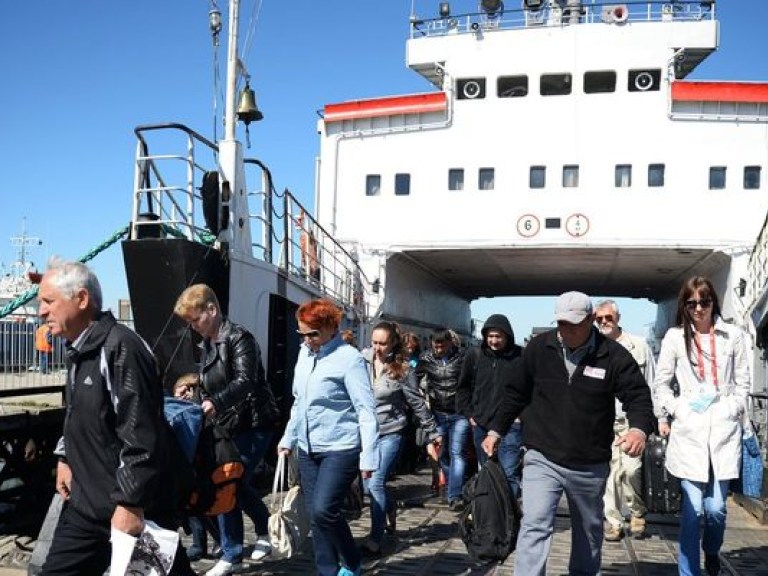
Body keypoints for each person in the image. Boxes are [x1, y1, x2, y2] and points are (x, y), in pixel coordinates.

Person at [37, 257, 194, 576]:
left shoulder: (121, 348)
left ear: (81, 299)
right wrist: (65, 456)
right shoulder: (80, 350)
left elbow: (142, 433)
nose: (41, 311)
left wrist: (130, 503)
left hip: (131, 509)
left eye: (49, 301)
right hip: (87, 507)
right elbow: (82, 415)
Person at [482, 291, 655, 576]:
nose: (567, 330)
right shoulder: (539, 348)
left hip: (589, 462)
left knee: (588, 530)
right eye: (562, 323)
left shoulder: (612, 355)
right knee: (535, 523)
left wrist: (638, 429)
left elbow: (638, 396)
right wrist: (495, 430)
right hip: (542, 455)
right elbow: (515, 393)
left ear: (590, 320)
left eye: (575, 323)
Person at [174, 283, 280, 576]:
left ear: (212, 309)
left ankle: (236, 550)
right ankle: (255, 534)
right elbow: (210, 383)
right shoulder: (208, 343)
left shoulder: (238, 338)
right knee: (229, 481)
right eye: (189, 322)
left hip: (255, 421)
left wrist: (214, 403)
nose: (193, 327)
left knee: (230, 482)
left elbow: (246, 380)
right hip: (229, 423)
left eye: (195, 319)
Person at [653, 277, 750, 576]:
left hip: (723, 431)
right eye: (691, 303)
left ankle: (711, 549)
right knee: (692, 511)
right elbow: (662, 383)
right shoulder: (674, 337)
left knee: (717, 509)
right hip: (690, 432)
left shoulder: (732, 335)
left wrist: (732, 408)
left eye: (704, 302)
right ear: (684, 305)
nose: (698, 309)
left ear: (713, 303)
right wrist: (674, 411)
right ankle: (688, 572)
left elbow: (744, 383)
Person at [277, 298, 378, 576]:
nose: (307, 339)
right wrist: (289, 438)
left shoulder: (349, 360)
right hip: (308, 448)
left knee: (324, 511)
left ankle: (353, 560)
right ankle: (327, 571)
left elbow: (366, 410)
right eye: (302, 334)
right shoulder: (304, 355)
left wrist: (369, 457)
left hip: (340, 446)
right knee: (315, 516)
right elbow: (300, 402)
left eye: (313, 333)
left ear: (331, 328)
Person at [360, 320, 442, 556]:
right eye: (374, 342)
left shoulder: (402, 369)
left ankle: (375, 538)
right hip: (365, 434)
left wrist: (433, 431)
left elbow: (416, 402)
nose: (377, 348)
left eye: (382, 343)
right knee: (368, 487)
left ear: (393, 343)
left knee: (375, 483)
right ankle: (390, 505)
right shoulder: (360, 360)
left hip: (391, 432)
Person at [595, 299, 657, 541]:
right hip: (605, 422)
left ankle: (637, 512)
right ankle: (613, 521)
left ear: (617, 318)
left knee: (632, 470)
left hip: (632, 421)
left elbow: (650, 383)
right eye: (598, 319)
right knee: (610, 474)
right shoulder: (594, 349)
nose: (603, 323)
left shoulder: (639, 346)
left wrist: (656, 419)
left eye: (607, 318)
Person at [456, 314, 523, 499]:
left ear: (507, 336)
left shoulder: (520, 356)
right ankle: (491, 514)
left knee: (509, 472)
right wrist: (471, 415)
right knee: (487, 471)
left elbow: (528, 390)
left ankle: (509, 515)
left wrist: (521, 416)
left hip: (511, 425)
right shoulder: (474, 355)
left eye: (498, 336)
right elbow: (463, 388)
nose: (494, 341)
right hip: (482, 423)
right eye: (490, 336)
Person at [417, 327, 467, 511]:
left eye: (442, 345)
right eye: (435, 346)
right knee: (443, 455)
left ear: (449, 343)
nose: (438, 349)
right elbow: (414, 379)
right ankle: (453, 484)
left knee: (457, 453)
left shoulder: (461, 358)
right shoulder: (426, 359)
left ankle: (455, 495)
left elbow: (470, 380)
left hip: (459, 412)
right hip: (438, 412)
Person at [173, 373, 219, 562]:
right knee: (191, 508)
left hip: (200, 464)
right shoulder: (172, 408)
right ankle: (200, 544)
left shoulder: (197, 410)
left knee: (201, 507)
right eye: (183, 389)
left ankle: (218, 540)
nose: (186, 394)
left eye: (191, 390)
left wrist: (196, 402)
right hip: (184, 465)